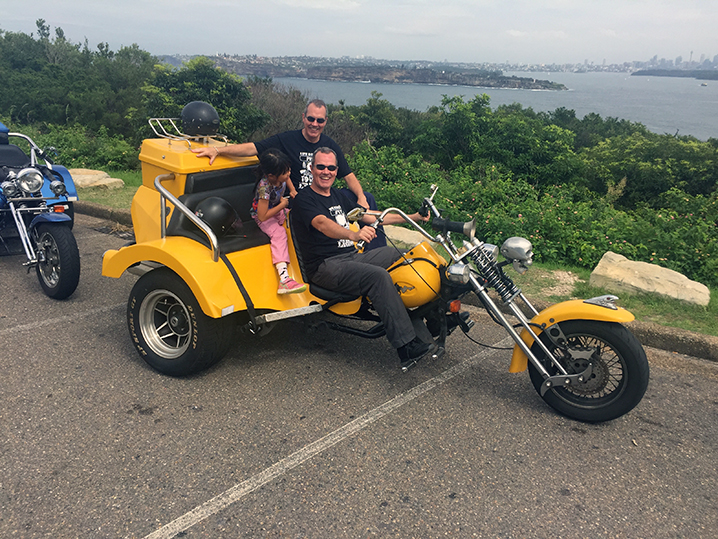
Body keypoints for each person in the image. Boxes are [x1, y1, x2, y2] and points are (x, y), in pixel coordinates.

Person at [291, 147, 438, 371]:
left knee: (399, 255)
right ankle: (406, 347)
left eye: (331, 168)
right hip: (325, 267)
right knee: (377, 277)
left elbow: (371, 217)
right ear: (312, 169)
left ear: (336, 170)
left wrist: (413, 217)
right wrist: (353, 234)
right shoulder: (304, 199)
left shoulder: (339, 195)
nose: (326, 171)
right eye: (320, 167)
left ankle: (431, 318)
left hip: (349, 258)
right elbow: (321, 223)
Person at [192, 99, 388, 249]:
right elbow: (253, 148)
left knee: (367, 199)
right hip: (300, 199)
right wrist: (219, 151)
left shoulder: (329, 145)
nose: (314, 124)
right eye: (310, 119)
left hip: (324, 195)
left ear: (325, 122)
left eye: (319, 120)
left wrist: (361, 197)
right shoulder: (287, 140)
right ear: (303, 118)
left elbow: (348, 175)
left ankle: (375, 252)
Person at [251, 149, 307, 295]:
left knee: (297, 219)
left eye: (289, 170)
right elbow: (262, 216)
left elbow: (287, 179)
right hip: (264, 216)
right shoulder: (265, 188)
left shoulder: (280, 176)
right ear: (271, 176)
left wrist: (293, 190)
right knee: (279, 233)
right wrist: (282, 205)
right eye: (285, 172)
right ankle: (284, 278)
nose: (288, 174)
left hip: (277, 210)